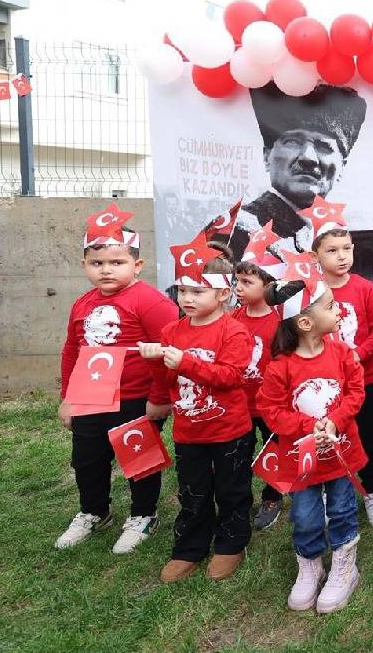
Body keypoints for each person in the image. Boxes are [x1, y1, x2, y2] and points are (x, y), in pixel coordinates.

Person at [56, 204, 177, 553]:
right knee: (87, 457)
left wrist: (160, 396)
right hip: (90, 396)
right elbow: (71, 350)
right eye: (97, 263)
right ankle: (95, 510)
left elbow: (167, 348)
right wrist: (68, 397)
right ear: (85, 266)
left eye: (117, 262)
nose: (106, 270)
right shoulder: (82, 304)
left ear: (136, 265)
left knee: (138, 457)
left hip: (136, 397)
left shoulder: (150, 302)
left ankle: (143, 515)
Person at [140, 248, 254, 583]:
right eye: (182, 290)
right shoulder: (172, 331)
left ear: (222, 293)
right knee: (193, 490)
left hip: (230, 430)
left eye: (197, 291)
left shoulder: (234, 332)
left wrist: (187, 363)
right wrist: (153, 362)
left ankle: (231, 543)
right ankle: (190, 547)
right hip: (189, 429)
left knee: (232, 490)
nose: (187, 298)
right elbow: (165, 380)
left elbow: (231, 377)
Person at [256, 276, 368, 614]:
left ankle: (345, 567)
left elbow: (355, 392)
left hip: (341, 455)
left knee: (342, 510)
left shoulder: (343, 352)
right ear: (305, 322)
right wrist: (308, 426)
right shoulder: (281, 366)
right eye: (331, 306)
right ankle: (310, 564)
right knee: (304, 516)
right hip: (301, 461)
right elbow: (271, 411)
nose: (339, 310)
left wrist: (335, 420)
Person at [310, 205, 373, 525]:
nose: (341, 256)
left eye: (346, 249)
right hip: (327, 386)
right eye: (332, 250)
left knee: (368, 436)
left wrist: (357, 355)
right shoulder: (311, 293)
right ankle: (335, 489)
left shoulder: (364, 288)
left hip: (364, 380)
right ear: (315, 255)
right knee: (331, 435)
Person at [226, 83, 367, 259]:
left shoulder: (336, 239)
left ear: (341, 168)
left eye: (324, 146)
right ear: (267, 156)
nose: (308, 158)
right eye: (292, 142)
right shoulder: (238, 230)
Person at [231, 259, 285, 530]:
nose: (238, 288)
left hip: (269, 405)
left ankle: (272, 496)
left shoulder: (279, 324)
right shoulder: (233, 318)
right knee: (239, 452)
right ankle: (239, 500)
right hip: (239, 403)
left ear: (268, 286)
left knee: (273, 449)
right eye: (237, 281)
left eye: (247, 283)